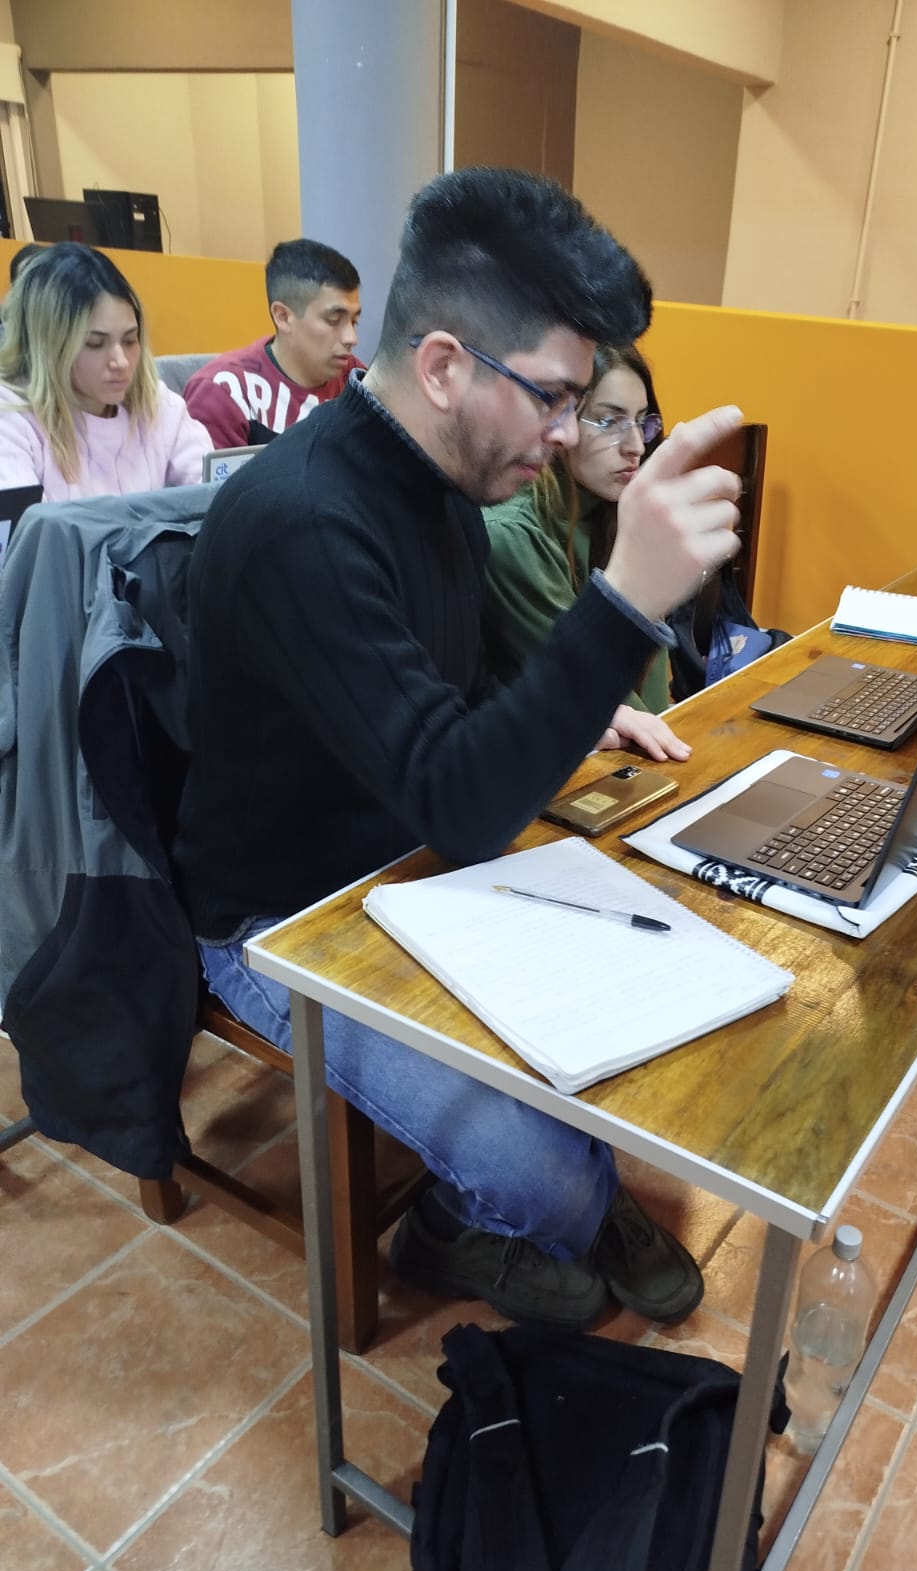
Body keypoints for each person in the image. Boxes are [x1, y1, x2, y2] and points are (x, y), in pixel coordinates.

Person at [173, 166, 742, 1334]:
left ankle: (562, 1205)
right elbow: (460, 798)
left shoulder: (447, 488)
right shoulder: (299, 524)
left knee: (646, 1005)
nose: (567, 433)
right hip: (282, 923)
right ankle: (460, 1224)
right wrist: (623, 602)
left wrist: (579, 709)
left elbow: (454, 690)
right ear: (442, 367)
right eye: (553, 398)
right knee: (549, 1180)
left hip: (412, 869)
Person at [483, 344, 684, 762]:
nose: (635, 446)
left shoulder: (614, 510)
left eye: (642, 421)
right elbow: (596, 685)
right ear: (560, 420)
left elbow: (653, 699)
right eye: (609, 421)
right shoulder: (513, 533)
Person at [0, 242, 211, 499]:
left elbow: (216, 494)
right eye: (95, 344)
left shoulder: (157, 403)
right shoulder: (11, 416)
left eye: (130, 340)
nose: (121, 362)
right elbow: (23, 524)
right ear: (50, 347)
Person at [183, 237, 363, 449]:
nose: (351, 338)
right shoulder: (224, 391)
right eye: (333, 320)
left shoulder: (354, 377)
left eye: (354, 321)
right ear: (283, 317)